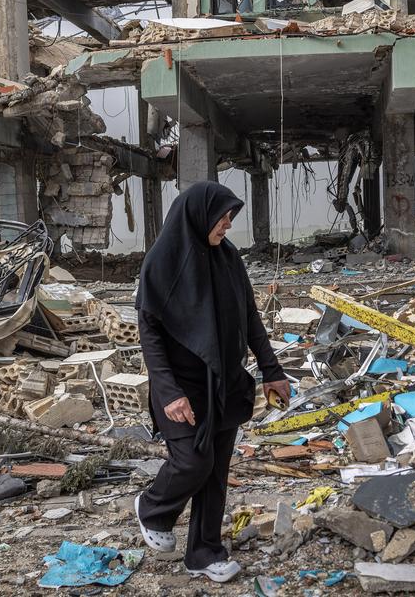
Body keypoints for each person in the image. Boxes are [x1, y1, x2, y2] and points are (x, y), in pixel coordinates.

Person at [133, 181, 289, 584]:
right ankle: (153, 508)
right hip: (181, 387)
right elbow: (149, 334)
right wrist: (167, 392)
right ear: (197, 215)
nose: (227, 224)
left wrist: (271, 371)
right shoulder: (161, 263)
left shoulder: (228, 258)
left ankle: (203, 553)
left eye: (230, 216)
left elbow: (249, 317)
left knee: (215, 471)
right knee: (192, 461)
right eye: (221, 216)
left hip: (224, 381)